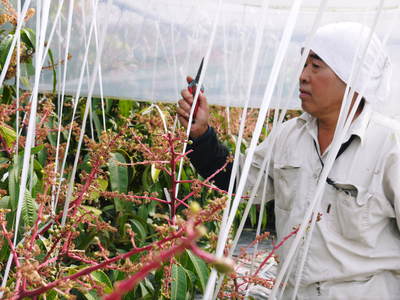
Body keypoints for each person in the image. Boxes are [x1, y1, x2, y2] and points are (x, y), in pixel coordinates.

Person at [177, 22, 400, 299]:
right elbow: (239, 183)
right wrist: (201, 135)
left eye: (316, 66)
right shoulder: (289, 135)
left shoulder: (390, 146)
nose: (303, 76)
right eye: (304, 64)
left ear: (351, 76)